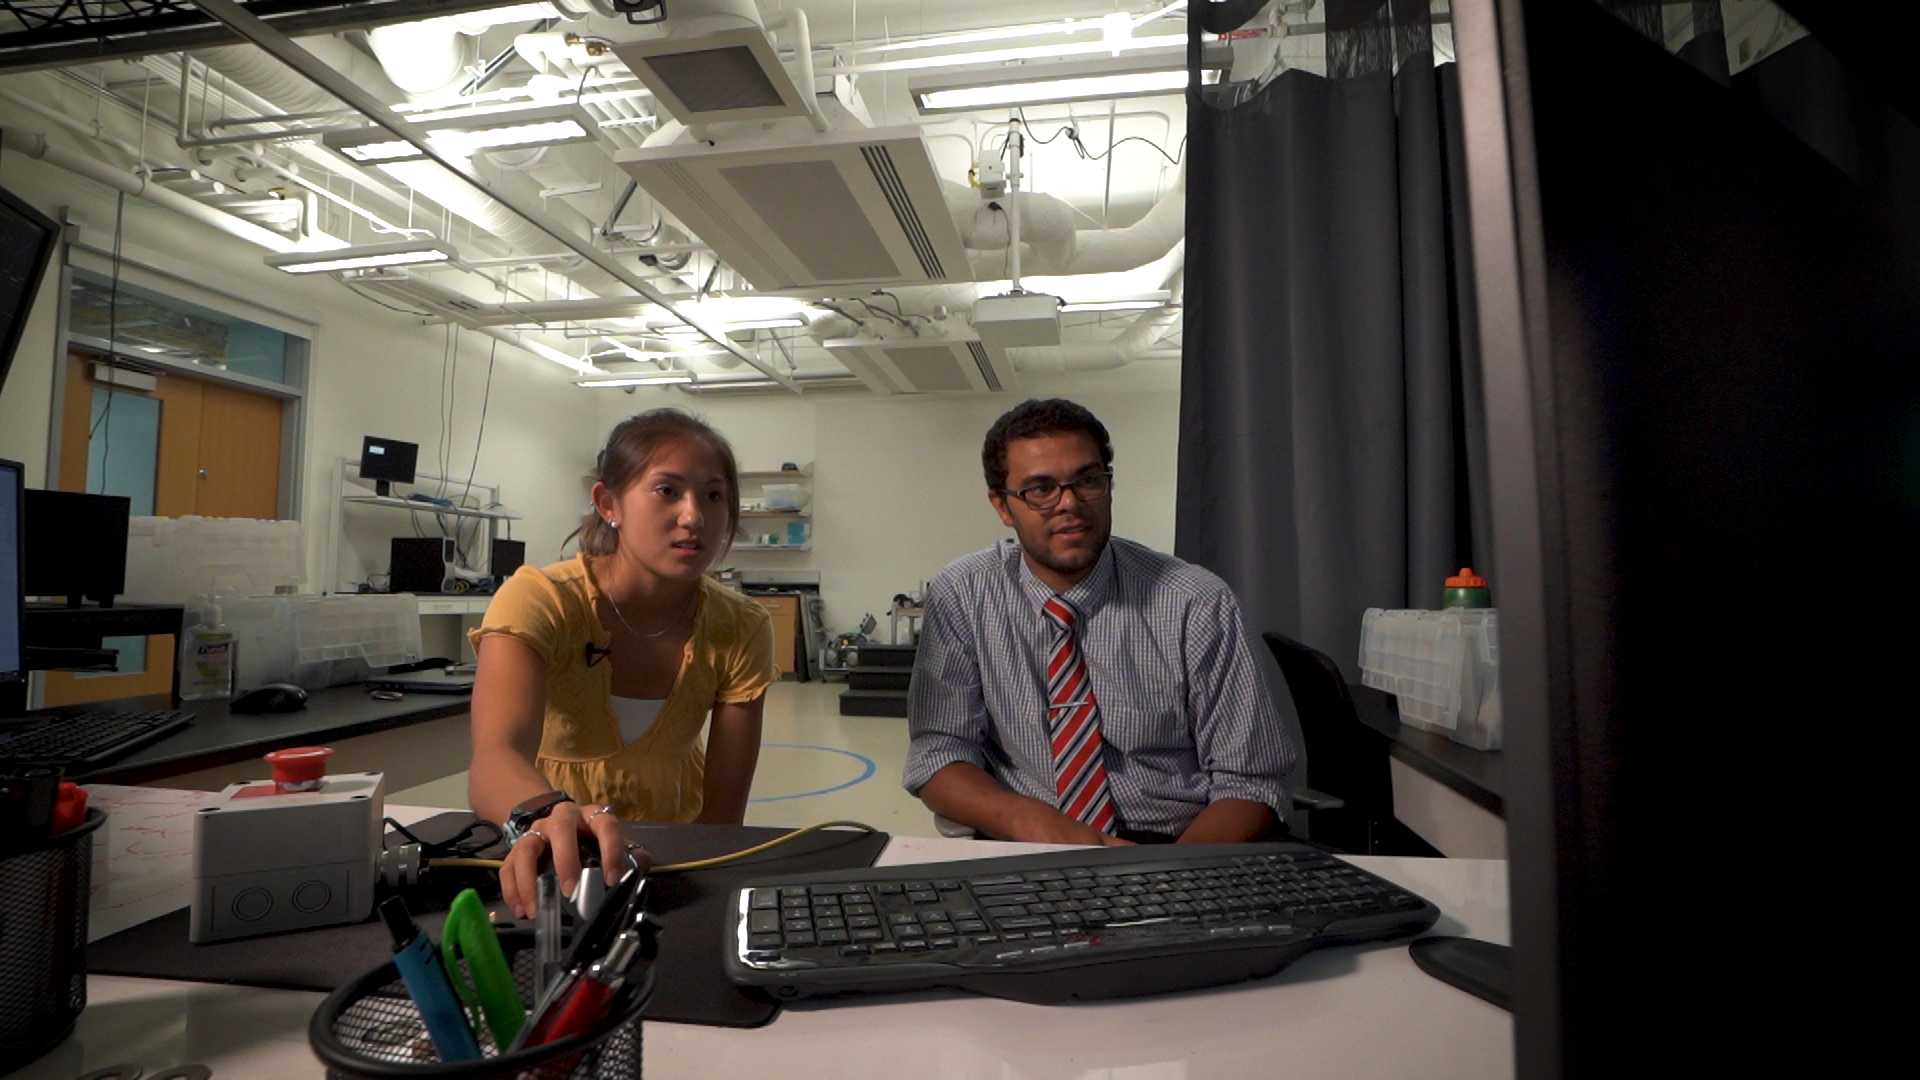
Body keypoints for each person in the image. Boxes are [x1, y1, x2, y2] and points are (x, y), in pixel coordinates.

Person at [904, 398, 1297, 846]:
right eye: (1040, 489)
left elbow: (1251, 782)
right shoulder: (963, 594)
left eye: (1088, 480)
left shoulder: (1196, 601)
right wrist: (1029, 821)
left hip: (1177, 846)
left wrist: (1165, 876)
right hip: (1032, 839)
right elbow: (938, 752)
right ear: (1003, 507)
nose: (1069, 503)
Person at [469, 409, 776, 917]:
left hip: (673, 863)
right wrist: (548, 816)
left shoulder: (741, 627)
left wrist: (683, 892)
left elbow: (723, 817)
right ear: (608, 503)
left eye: (713, 496)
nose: (694, 516)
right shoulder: (541, 600)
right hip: (550, 854)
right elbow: (493, 758)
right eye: (667, 491)